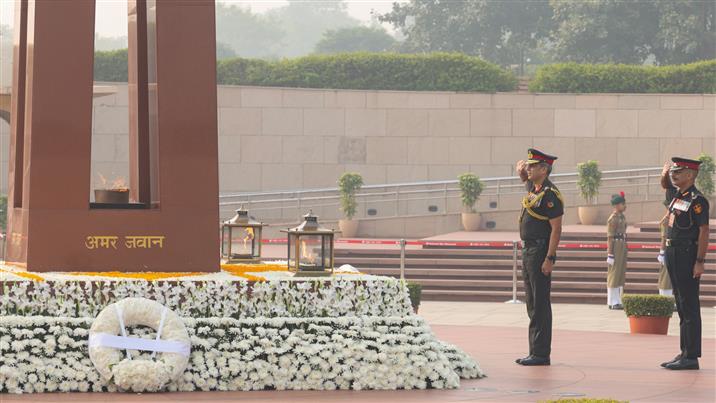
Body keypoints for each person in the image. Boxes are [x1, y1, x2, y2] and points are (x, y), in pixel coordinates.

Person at [514, 148, 564, 366]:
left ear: (544, 169)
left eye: (533, 166)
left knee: (540, 303)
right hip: (528, 251)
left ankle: (541, 353)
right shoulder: (536, 189)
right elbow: (527, 183)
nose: (529, 168)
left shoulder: (550, 194)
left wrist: (550, 258)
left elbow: (556, 229)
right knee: (532, 302)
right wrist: (522, 174)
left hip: (540, 251)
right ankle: (534, 350)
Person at [659, 157, 710, 370]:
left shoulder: (698, 200)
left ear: (690, 175)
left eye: (679, 172)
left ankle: (691, 357)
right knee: (680, 304)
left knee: (689, 304)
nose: (674, 175)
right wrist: (664, 174)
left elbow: (704, 231)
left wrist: (699, 261)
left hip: (687, 253)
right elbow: (665, 185)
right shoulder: (678, 195)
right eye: (674, 171)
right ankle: (685, 351)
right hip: (673, 252)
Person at [606, 192, 627, 310]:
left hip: (622, 245)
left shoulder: (622, 217)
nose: (624, 206)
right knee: (614, 274)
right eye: (622, 204)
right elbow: (610, 237)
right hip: (615, 246)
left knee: (620, 273)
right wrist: (610, 254)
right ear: (616, 205)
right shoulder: (613, 219)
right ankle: (612, 301)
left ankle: (618, 300)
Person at [657, 209, 673, 296]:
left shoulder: (672, 218)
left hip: (672, 249)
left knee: (670, 276)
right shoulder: (666, 220)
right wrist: (662, 252)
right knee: (666, 275)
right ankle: (665, 297)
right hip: (667, 249)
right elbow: (664, 238)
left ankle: (669, 298)